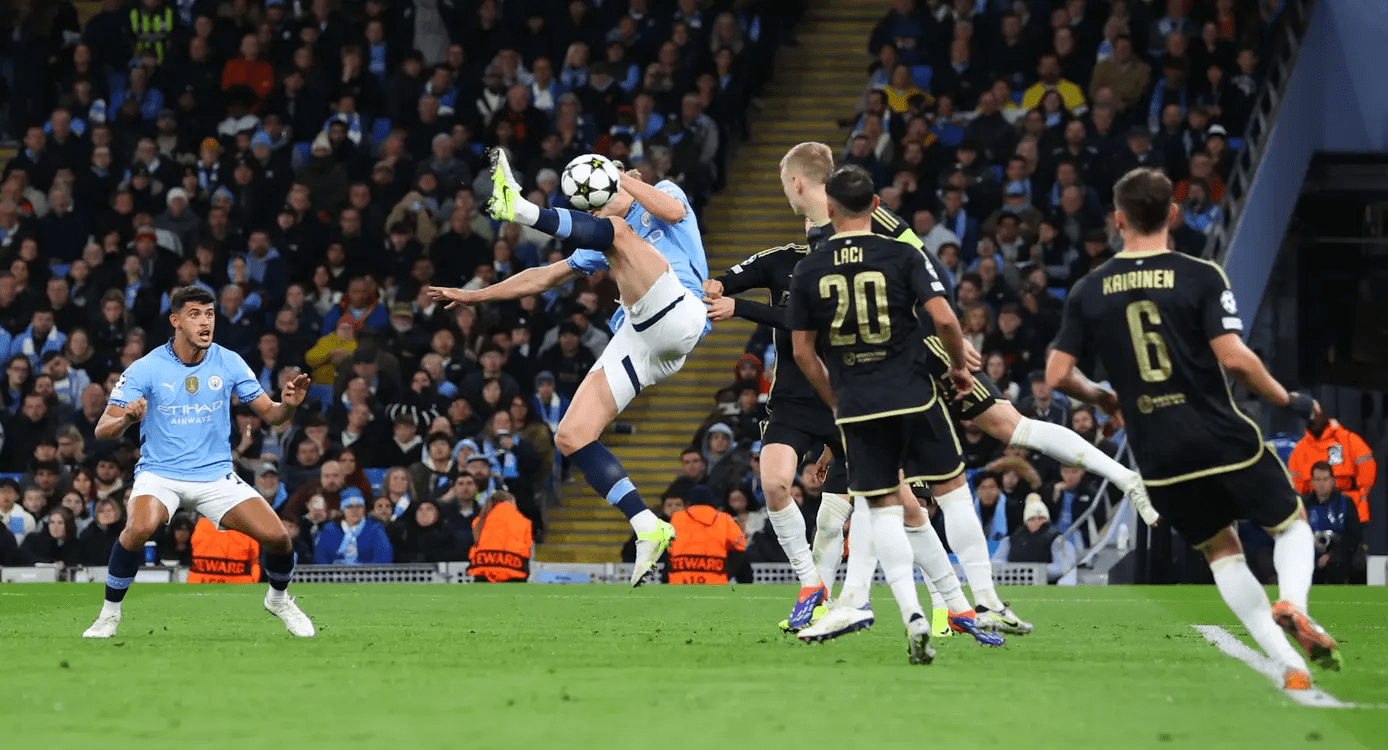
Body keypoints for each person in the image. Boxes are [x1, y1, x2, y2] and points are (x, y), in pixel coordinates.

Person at [766, 142, 1145, 637]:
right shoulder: (824, 234)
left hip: (909, 354)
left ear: (800, 184)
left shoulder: (860, 231)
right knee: (892, 491)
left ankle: (1121, 479)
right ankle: (950, 604)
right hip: (885, 364)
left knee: (984, 442)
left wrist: (955, 340)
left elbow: (932, 274)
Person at [1046, 167, 1340, 690]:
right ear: (1173, 214)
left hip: (1157, 456)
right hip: (1220, 436)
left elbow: (1057, 375)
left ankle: (1290, 667)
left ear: (1118, 220)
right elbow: (1235, 358)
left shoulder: (1089, 291)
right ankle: (1292, 600)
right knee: (1290, 521)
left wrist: (1105, 397)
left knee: (1220, 550)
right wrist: (1289, 400)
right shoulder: (1201, 275)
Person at [428, 150, 709, 586]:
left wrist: (622, 180)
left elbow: (671, 209)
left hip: (682, 312)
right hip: (645, 339)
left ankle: (520, 209)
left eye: (595, 200)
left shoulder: (660, 200)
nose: (592, 210)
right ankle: (647, 526)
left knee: (615, 231)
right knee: (571, 435)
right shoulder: (607, 238)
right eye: (589, 206)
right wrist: (475, 297)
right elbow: (543, 276)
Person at [785, 164, 974, 662]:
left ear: (829, 208)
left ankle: (889, 607)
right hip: (913, 393)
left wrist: (834, 401)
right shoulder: (903, 252)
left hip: (858, 402)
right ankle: (969, 603)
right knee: (944, 494)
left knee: (882, 504)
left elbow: (803, 353)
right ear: (876, 207)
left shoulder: (811, 266)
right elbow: (946, 317)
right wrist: (959, 368)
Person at [81, 286, 315, 639]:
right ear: (175, 321)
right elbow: (102, 430)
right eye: (195, 314)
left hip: (215, 476)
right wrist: (127, 418)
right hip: (161, 474)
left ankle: (278, 600)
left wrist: (290, 405)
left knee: (279, 538)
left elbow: (274, 416)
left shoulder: (230, 361)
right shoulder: (146, 368)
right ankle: (108, 615)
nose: (205, 322)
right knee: (138, 529)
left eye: (210, 314)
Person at [1287, 411, 1376, 524]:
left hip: (1349, 507)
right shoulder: (1300, 449)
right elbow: (1297, 486)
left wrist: (1362, 496)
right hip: (1315, 509)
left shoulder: (1348, 440)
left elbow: (1367, 468)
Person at [666, 488, 746, 584]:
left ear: (689, 503)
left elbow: (666, 549)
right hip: (715, 583)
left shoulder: (676, 519)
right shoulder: (724, 519)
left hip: (680, 582)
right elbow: (740, 548)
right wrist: (727, 572)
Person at [990, 493, 1075, 583]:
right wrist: (1013, 570)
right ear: (1026, 521)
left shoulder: (1057, 539)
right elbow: (996, 561)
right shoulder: (1011, 539)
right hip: (1015, 585)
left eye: (1041, 518)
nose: (1037, 521)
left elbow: (1062, 567)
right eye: (1032, 518)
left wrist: (1034, 570)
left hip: (1045, 588)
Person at [1304, 462, 1364, 585]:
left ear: (1332, 481)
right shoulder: (1305, 505)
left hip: (1340, 553)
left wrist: (1331, 555)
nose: (1322, 484)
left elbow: (1354, 535)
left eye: (1325, 479)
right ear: (1312, 482)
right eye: (1318, 479)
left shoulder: (1345, 502)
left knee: (1340, 564)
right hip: (1311, 553)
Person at [313, 488, 393, 565]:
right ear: (343, 510)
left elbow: (384, 558)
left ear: (364, 509)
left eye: (358, 506)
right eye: (349, 507)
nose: (354, 510)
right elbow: (320, 557)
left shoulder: (375, 529)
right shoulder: (330, 529)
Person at [468, 490, 532, 582]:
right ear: (511, 502)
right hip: (514, 571)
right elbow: (527, 547)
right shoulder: (522, 521)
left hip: (483, 570)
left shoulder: (478, 522)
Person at [187, 517, 262, 583]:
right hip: (199, 590)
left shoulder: (247, 531)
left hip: (237, 592)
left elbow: (254, 563)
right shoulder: (200, 526)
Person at [79, 496, 126, 565]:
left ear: (116, 512)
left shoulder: (125, 532)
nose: (106, 514)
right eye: (101, 511)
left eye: (109, 510)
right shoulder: (87, 534)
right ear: (96, 514)